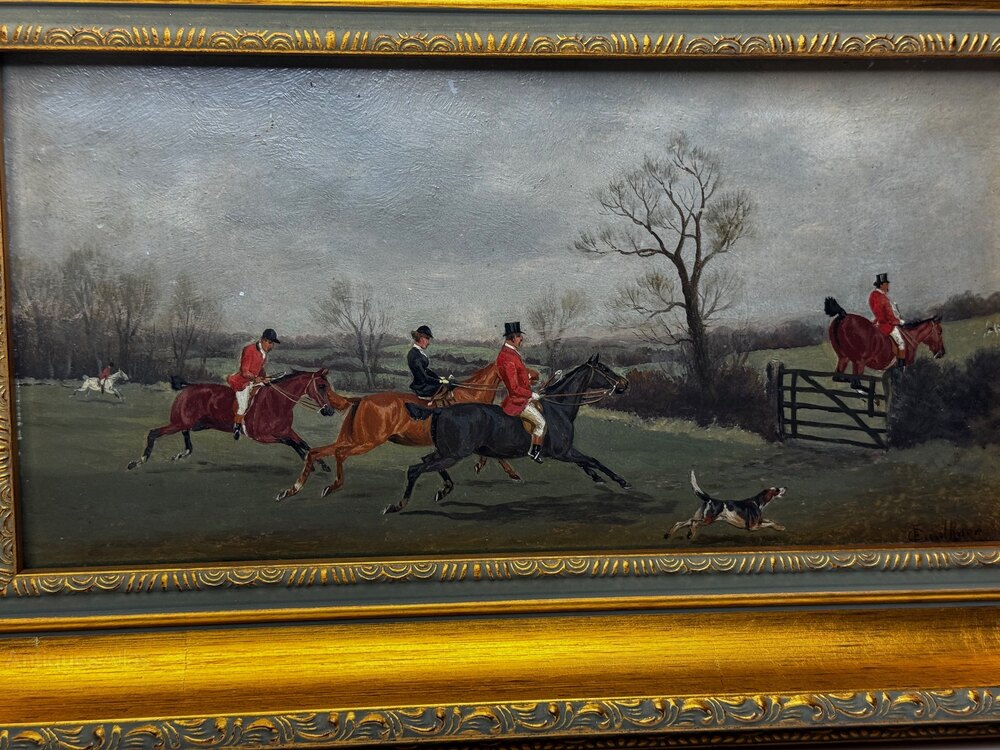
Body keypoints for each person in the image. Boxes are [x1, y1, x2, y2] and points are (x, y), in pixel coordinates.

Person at [496, 321, 545, 463]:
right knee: (541, 423)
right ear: (512, 338)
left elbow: (517, 375)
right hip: (517, 402)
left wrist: (528, 376)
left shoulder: (511, 353)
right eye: (518, 336)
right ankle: (534, 452)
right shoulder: (507, 357)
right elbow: (514, 388)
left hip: (521, 397)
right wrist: (531, 394)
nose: (521, 338)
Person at [226, 328, 280, 440]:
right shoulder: (249, 349)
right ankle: (237, 427)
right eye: (270, 342)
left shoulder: (264, 353)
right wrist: (256, 378)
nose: (271, 346)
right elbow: (244, 371)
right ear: (263, 340)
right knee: (243, 406)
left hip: (254, 381)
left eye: (272, 343)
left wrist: (265, 378)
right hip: (242, 381)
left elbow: (260, 369)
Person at [868, 273, 906, 370]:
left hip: (878, 324)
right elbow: (890, 318)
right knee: (901, 343)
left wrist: (876, 320)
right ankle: (901, 367)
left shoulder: (872, 296)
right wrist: (900, 322)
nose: (888, 286)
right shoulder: (884, 298)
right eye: (886, 284)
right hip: (887, 326)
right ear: (881, 285)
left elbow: (879, 313)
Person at [407, 325, 454, 402]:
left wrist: (438, 378)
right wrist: (439, 381)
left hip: (425, 383)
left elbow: (426, 370)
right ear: (421, 338)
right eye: (427, 339)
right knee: (446, 386)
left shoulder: (418, 352)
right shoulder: (414, 354)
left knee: (451, 384)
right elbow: (423, 377)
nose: (428, 343)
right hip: (422, 387)